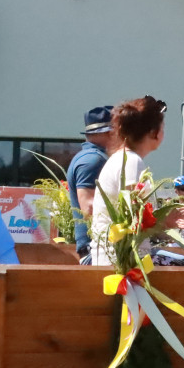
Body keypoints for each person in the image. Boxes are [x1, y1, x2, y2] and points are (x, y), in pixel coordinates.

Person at [91, 95, 184, 266]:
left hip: (115, 257)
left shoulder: (121, 158)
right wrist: (166, 221)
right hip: (122, 261)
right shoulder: (131, 162)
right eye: (162, 127)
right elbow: (135, 220)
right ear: (153, 132)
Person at [67, 106, 115, 264]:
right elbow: (89, 209)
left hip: (100, 251)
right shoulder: (93, 160)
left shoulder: (92, 157)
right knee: (181, 263)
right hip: (98, 254)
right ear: (108, 132)